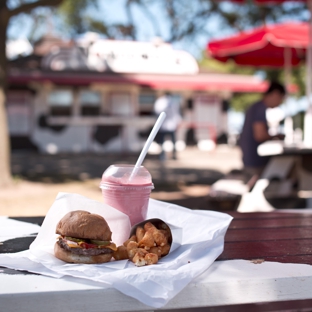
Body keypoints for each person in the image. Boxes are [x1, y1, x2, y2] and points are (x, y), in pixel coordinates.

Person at [239, 81, 286, 176]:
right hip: (255, 161)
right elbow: (259, 135)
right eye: (281, 98)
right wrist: (275, 136)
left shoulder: (257, 107)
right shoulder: (260, 109)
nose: (281, 102)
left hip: (250, 158)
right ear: (275, 94)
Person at [154, 92, 182, 160]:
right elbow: (158, 111)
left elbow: (176, 113)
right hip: (164, 125)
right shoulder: (162, 102)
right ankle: (163, 154)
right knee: (163, 141)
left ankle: (172, 155)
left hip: (169, 125)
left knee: (171, 141)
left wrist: (177, 122)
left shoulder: (172, 102)